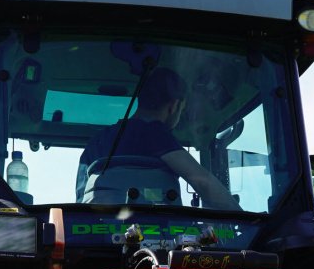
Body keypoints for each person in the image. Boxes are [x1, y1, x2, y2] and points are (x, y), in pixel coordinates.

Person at [80, 67, 239, 209]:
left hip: (97, 233)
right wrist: (242, 219)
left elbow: (80, 197)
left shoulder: (96, 141)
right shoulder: (155, 134)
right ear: (174, 106)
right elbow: (202, 181)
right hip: (152, 236)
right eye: (181, 110)